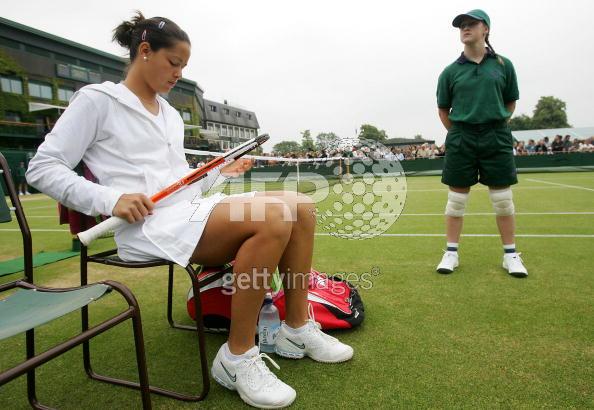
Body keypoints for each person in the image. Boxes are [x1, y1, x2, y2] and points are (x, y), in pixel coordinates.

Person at [26, 12, 353, 409]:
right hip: (147, 229)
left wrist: (218, 174)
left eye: (184, 66)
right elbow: (42, 169)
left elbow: (178, 182)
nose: (178, 73)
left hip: (190, 213)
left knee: (300, 206)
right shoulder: (97, 101)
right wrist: (109, 199)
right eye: (174, 63)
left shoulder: (167, 114)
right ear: (144, 51)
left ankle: (297, 326)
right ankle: (237, 357)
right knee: (274, 216)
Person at [435, 9, 528, 278]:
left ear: (485, 29)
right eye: (461, 26)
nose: (465, 29)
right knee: (456, 201)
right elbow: (443, 110)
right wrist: (461, 132)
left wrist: (495, 124)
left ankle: (510, 255)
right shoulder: (450, 72)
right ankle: (451, 253)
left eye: (470, 24)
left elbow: (510, 102)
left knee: (502, 201)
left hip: (496, 135)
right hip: (462, 135)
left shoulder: (503, 65)